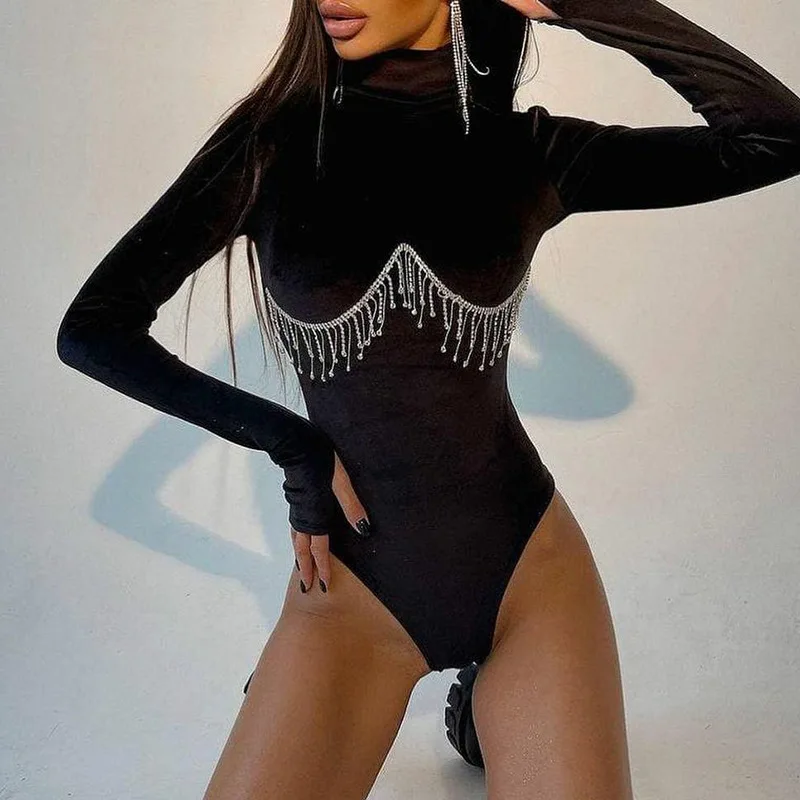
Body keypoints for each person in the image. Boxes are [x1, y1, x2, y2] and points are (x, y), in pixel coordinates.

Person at [55, 0, 800, 797]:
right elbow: (95, 328)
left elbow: (775, 136)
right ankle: (455, 699)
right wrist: (293, 444)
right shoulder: (271, 144)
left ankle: (490, 696)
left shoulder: (527, 151)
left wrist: (576, 4)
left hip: (528, 576)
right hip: (350, 591)